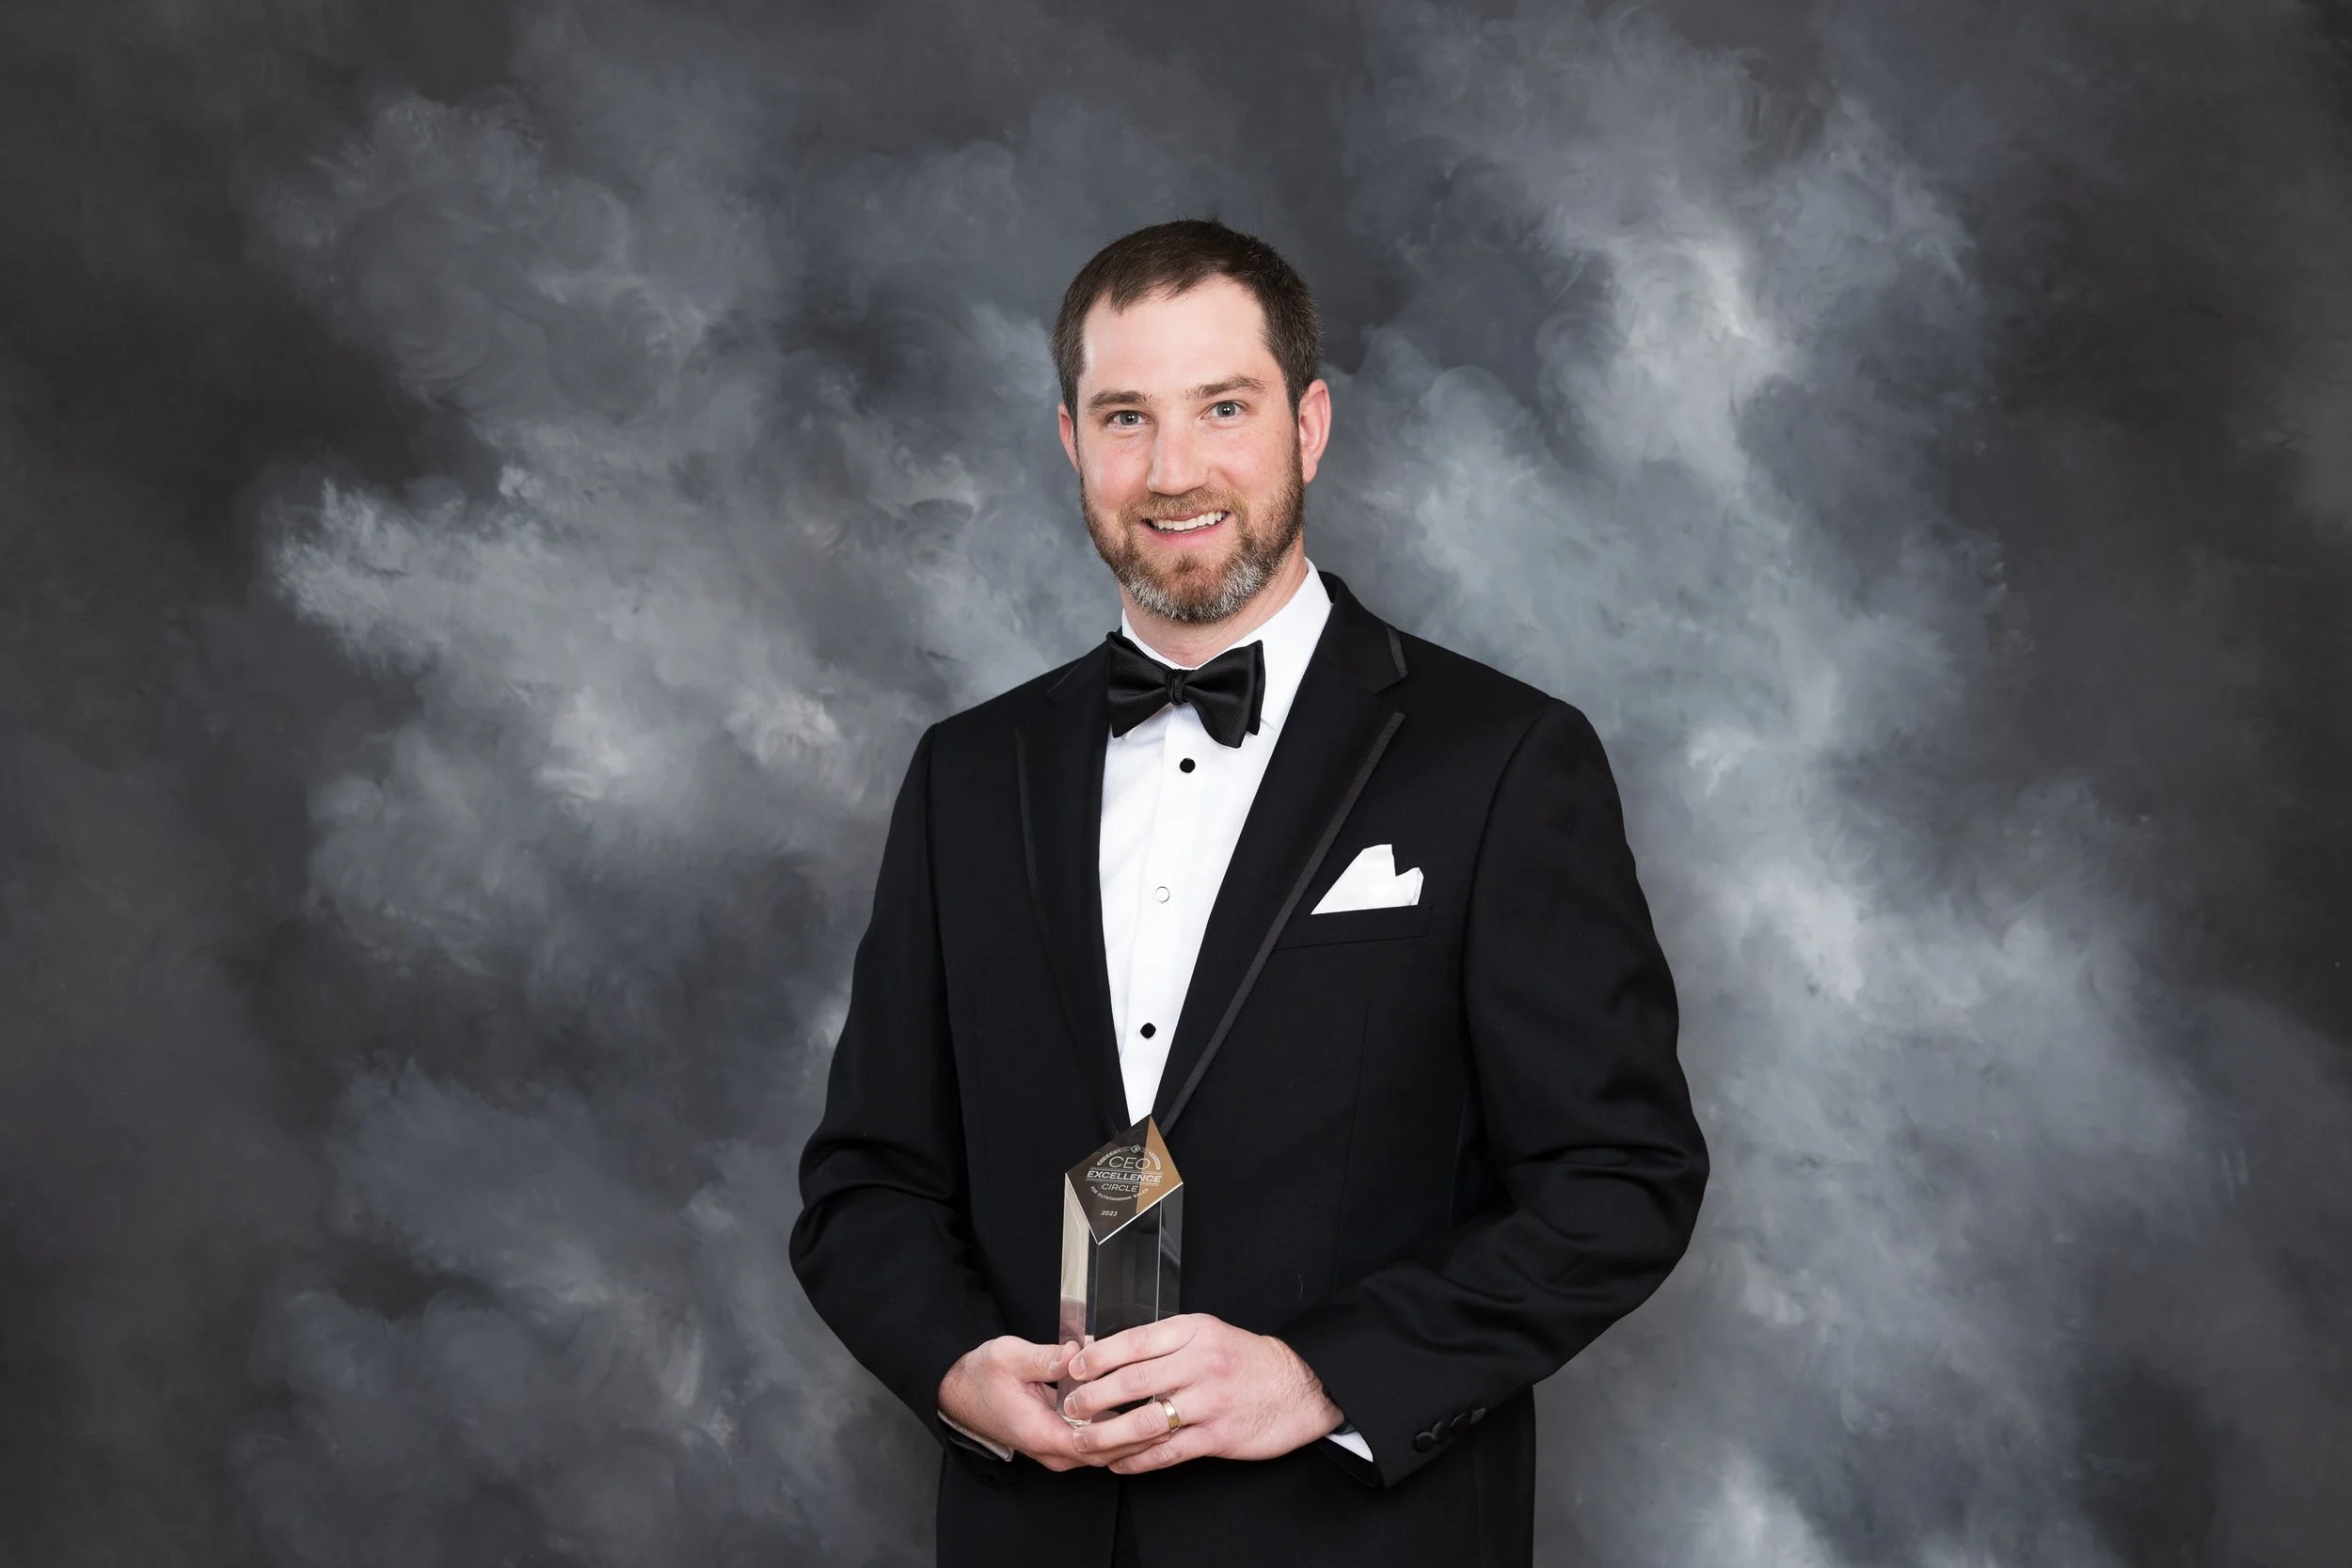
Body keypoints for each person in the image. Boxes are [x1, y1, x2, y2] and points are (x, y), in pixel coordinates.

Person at [789, 218, 1708, 1568]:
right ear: (1069, 443)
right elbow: (866, 1180)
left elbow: (1621, 1182)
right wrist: (958, 1369)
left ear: (1310, 422)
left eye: (1223, 407)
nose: (1174, 472)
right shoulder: (964, 776)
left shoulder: (1504, 760)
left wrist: (1321, 1376)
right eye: (1125, 417)